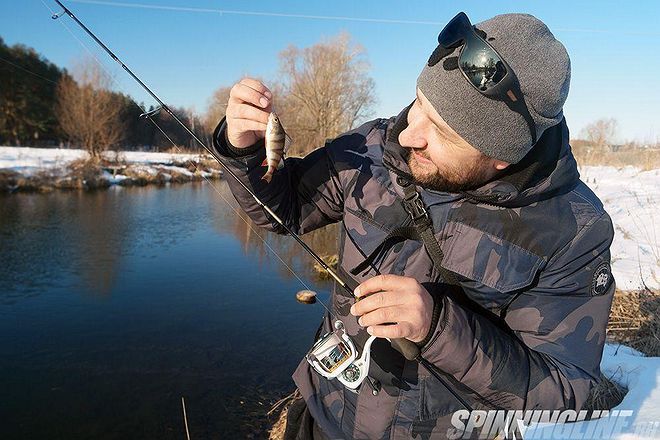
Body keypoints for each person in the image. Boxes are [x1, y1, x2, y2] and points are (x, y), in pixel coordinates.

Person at [212, 12, 615, 440]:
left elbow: (569, 395)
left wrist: (439, 327)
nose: (407, 136)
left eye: (440, 131)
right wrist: (246, 152)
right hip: (324, 415)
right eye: (419, 105)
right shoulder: (371, 147)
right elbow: (285, 210)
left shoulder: (573, 233)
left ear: (503, 156)